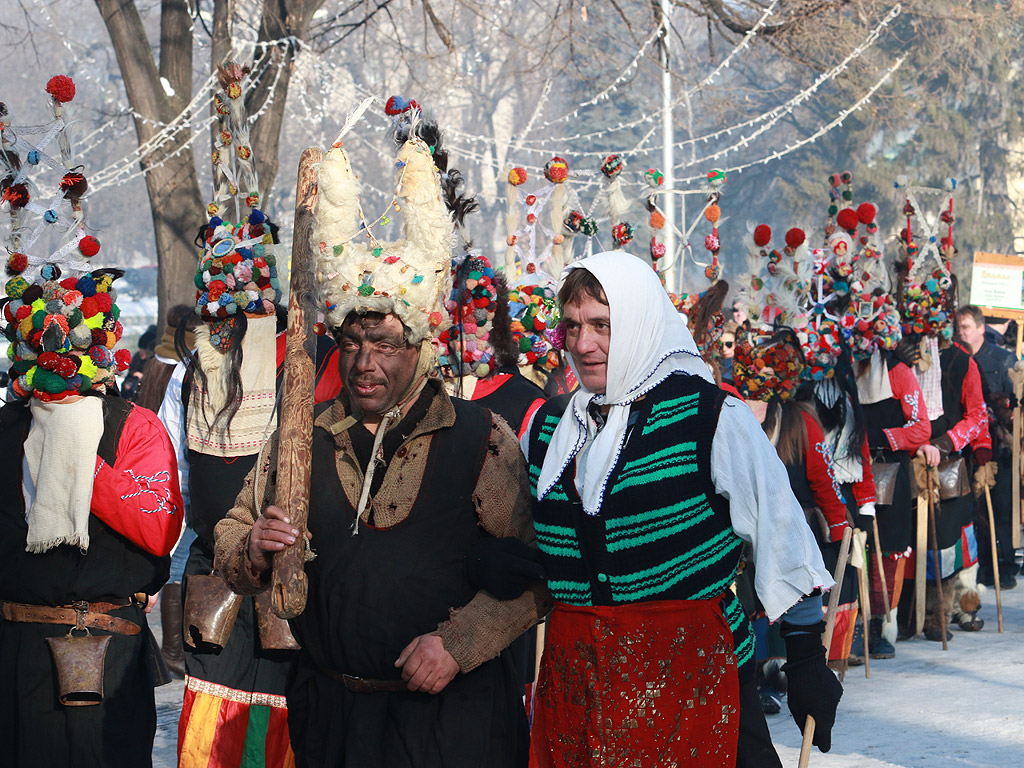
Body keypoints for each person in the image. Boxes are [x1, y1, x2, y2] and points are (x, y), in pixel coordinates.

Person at [215, 124, 550, 768]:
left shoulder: (477, 438)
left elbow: (539, 572)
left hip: (451, 727)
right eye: (352, 343)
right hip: (334, 720)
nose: (366, 363)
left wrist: (459, 643)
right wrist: (253, 547)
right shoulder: (300, 439)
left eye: (387, 345)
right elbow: (230, 539)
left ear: (420, 348)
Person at [523, 252, 840, 768]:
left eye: (602, 325)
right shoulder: (549, 430)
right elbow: (541, 543)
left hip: (695, 677)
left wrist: (805, 657)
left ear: (642, 322)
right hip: (582, 688)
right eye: (573, 326)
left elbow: (783, 537)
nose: (583, 345)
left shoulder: (711, 415)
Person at [0, 266, 183, 767]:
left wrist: (78, 460)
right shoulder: (6, 428)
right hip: (15, 649)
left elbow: (159, 527)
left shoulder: (135, 427)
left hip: (109, 649)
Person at [957, 304, 1018, 590]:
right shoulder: (957, 359)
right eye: (959, 327)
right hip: (970, 446)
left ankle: (1005, 565)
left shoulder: (1003, 358)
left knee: (1002, 508)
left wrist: (1004, 408)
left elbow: (1018, 398)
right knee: (977, 509)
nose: (962, 332)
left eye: (967, 327)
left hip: (1001, 446)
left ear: (981, 328)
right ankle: (981, 565)